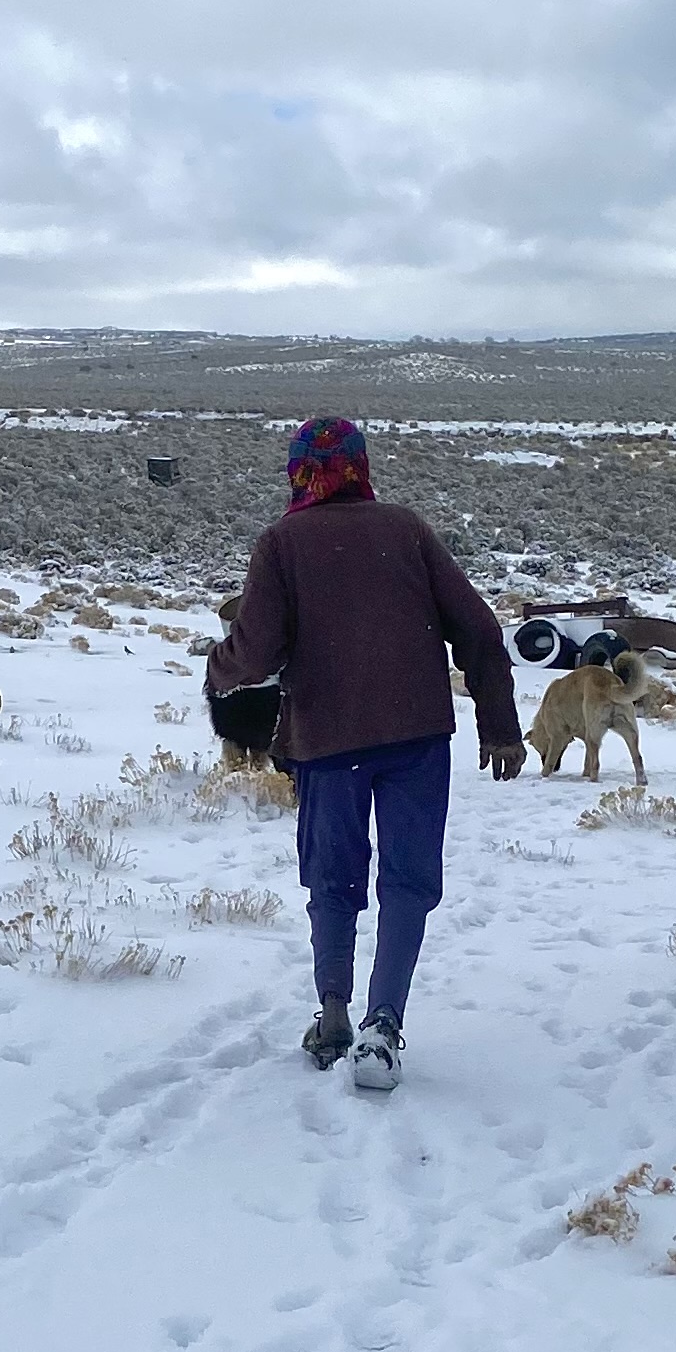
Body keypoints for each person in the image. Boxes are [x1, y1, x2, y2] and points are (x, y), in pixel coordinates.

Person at [206, 416, 526, 1090]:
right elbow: (478, 628)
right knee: (408, 879)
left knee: (333, 877)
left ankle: (332, 1014)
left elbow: (255, 650)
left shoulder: (282, 543)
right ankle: (383, 1024)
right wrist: (499, 724)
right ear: (361, 467)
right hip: (415, 735)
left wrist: (220, 669)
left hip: (328, 742)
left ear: (299, 473)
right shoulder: (406, 529)